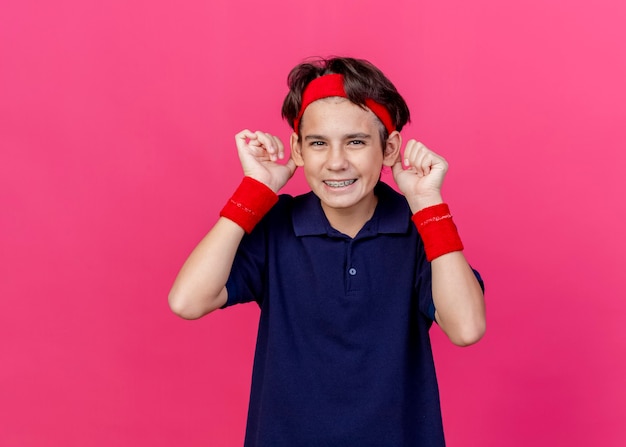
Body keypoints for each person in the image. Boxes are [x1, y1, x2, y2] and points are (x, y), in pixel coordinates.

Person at [169, 56, 486, 446]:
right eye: (318, 143)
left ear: (389, 150)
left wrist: (429, 207)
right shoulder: (275, 226)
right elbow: (187, 301)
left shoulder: (422, 229)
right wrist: (255, 191)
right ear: (298, 151)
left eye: (356, 142)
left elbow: (467, 328)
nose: (336, 162)